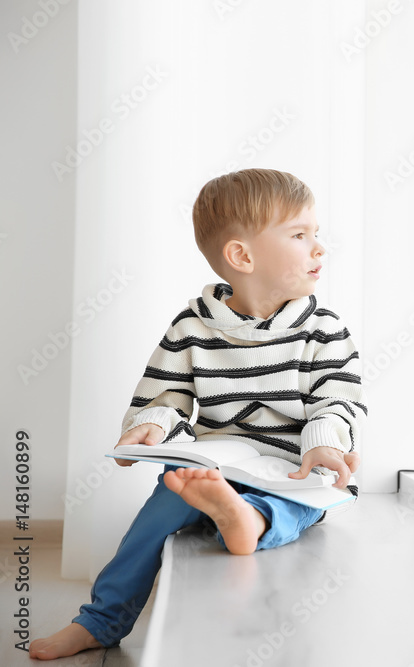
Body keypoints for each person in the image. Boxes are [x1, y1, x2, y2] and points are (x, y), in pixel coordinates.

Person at [29, 168, 367, 660]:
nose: (319, 247)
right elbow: (165, 395)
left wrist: (325, 442)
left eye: (315, 233)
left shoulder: (323, 329)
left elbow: (338, 396)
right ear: (242, 256)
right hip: (215, 465)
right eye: (300, 235)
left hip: (296, 468)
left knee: (300, 503)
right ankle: (100, 621)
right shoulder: (192, 327)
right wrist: (149, 427)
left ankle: (246, 520)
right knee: (156, 515)